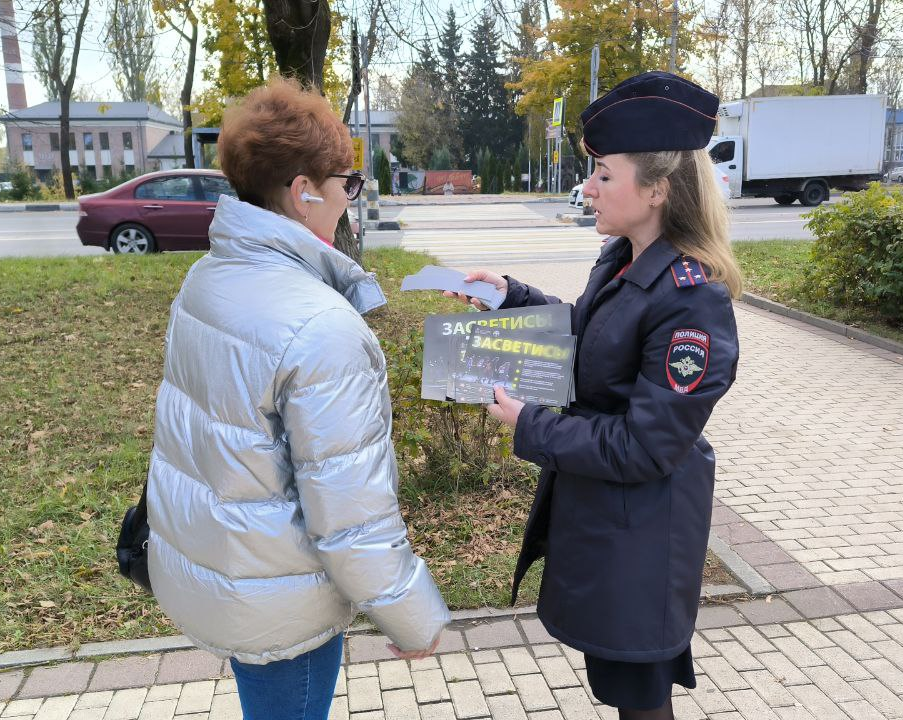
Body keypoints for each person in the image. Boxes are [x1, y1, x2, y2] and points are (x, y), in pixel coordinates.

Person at [146, 78, 449, 719]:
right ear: (303, 192)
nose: (351, 200)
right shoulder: (321, 327)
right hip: (282, 598)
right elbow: (349, 515)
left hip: (232, 572)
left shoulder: (207, 279)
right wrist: (415, 620)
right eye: (347, 184)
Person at [447, 72, 741, 720]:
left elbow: (645, 445)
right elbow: (588, 334)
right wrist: (511, 296)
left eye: (604, 174)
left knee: (640, 699)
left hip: (642, 539)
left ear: (659, 188)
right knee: (621, 690)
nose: (588, 188)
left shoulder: (692, 300)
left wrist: (531, 424)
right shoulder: (624, 258)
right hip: (609, 528)